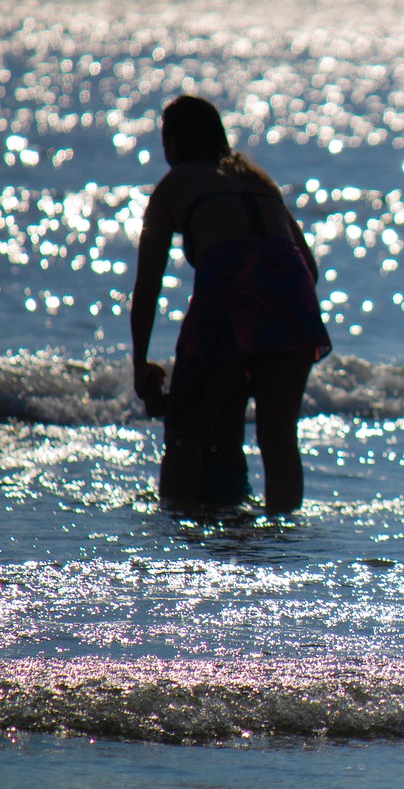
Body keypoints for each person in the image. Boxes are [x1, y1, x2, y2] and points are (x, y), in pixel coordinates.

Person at [130, 95, 332, 515]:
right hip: (293, 298)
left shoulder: (175, 184)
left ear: (174, 143)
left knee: (185, 434)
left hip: (227, 290)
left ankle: (177, 521)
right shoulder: (258, 179)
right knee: (279, 439)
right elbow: (308, 266)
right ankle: (283, 530)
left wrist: (140, 367)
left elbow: (147, 286)